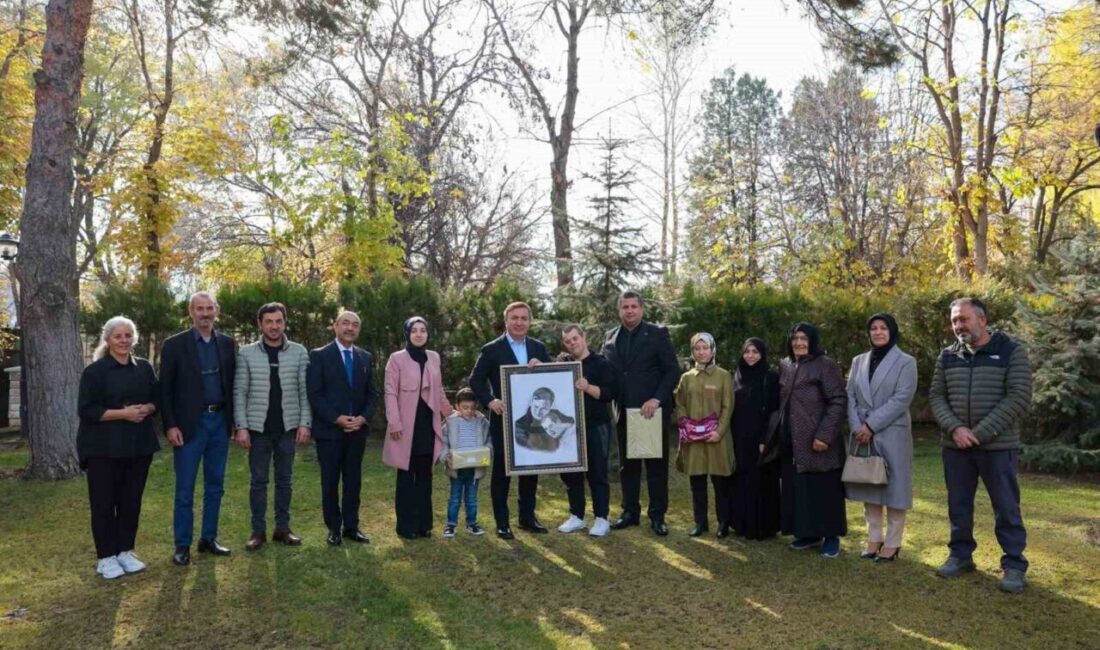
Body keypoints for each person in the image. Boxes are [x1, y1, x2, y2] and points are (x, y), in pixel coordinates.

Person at [930, 297, 1032, 593]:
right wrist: (956, 429)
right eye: (954, 321)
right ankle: (961, 555)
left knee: (1006, 507)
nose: (958, 325)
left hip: (998, 447)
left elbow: (1018, 397)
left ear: (982, 320)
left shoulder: (1011, 352)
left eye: (964, 319)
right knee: (958, 504)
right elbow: (936, 397)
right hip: (956, 447)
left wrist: (978, 433)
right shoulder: (947, 356)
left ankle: (1014, 565)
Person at [77, 316, 160, 580]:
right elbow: (87, 410)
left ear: (134, 338)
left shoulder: (144, 368)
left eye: (128, 335)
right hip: (103, 449)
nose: (123, 340)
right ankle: (106, 557)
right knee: (104, 503)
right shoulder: (95, 372)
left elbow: (157, 400)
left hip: (138, 447)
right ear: (108, 339)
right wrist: (123, 414)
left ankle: (125, 551)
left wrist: (147, 408)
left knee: (131, 501)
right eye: (118, 336)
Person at [160, 291, 237, 567]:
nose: (205, 313)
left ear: (217, 310)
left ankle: (209, 538)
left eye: (209, 308)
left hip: (219, 422)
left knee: (215, 485)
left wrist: (233, 422)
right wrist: (170, 425)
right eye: (199, 309)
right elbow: (165, 390)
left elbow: (233, 384)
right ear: (191, 312)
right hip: (189, 425)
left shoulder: (227, 343)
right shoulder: (174, 345)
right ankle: (182, 545)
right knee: (185, 488)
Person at [762, 323, 848, 559]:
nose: (799, 343)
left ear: (812, 341)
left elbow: (838, 400)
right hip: (792, 440)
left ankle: (831, 537)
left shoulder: (825, 365)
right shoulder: (786, 365)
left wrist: (824, 435)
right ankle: (809, 534)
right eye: (795, 338)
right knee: (800, 489)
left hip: (818, 439)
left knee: (824, 489)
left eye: (804, 338)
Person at [469, 301, 552, 539]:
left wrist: (544, 366)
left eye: (524, 318)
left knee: (530, 469)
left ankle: (527, 517)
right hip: (503, 419)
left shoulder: (538, 348)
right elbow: (476, 380)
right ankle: (502, 522)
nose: (519, 322)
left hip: (532, 421)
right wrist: (490, 401)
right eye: (514, 318)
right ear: (506, 321)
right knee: (502, 472)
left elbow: (552, 377)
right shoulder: (492, 349)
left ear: (530, 321)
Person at [233, 302, 312, 551]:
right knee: (258, 482)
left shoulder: (299, 352)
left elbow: (305, 391)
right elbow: (239, 392)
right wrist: (241, 426)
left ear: (285, 323)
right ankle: (258, 532)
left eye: (279, 321)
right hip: (258, 430)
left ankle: (283, 529)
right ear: (260, 324)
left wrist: (305, 423)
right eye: (269, 321)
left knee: (285, 481)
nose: (274, 326)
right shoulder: (246, 353)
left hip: (288, 428)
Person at [602, 290, 681, 537]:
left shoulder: (656, 334)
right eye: (625, 307)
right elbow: (603, 370)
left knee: (655, 467)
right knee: (628, 467)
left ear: (641, 309)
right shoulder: (609, 337)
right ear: (619, 310)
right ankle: (630, 512)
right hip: (623, 412)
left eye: (633, 306)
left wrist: (657, 399)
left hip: (650, 413)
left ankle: (657, 516)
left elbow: (672, 371)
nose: (629, 311)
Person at [846, 313, 918, 563]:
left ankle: (893, 542)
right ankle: (874, 538)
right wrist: (857, 427)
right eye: (873, 328)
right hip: (862, 435)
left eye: (883, 328)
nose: (877, 332)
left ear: (892, 331)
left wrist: (871, 425)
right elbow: (850, 396)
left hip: (892, 432)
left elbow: (902, 398)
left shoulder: (906, 362)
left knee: (895, 489)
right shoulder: (858, 361)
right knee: (869, 486)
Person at [307, 310, 378, 546]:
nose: (350, 328)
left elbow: (372, 395)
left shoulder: (365, 357)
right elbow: (315, 394)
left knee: (353, 481)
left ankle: (351, 527)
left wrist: (363, 418)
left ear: (359, 330)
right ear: (335, 326)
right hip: (329, 432)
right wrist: (336, 418)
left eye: (355, 325)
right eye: (345, 323)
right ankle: (333, 528)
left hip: (357, 432)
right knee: (330, 482)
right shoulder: (319, 355)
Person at [383, 316, 453, 539]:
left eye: (423, 330)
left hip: (427, 425)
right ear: (407, 333)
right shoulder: (396, 359)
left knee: (425, 476)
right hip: (405, 426)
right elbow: (390, 392)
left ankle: (424, 524)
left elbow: (438, 390)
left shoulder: (434, 357)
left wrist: (451, 414)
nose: (419, 334)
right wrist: (394, 422)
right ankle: (406, 526)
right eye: (414, 330)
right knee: (406, 476)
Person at [557, 324, 619, 538]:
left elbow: (611, 393)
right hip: (569, 429)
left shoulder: (601, 363)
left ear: (583, 338)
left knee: (598, 473)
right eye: (567, 341)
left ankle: (601, 518)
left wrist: (588, 387)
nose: (572, 343)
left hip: (596, 426)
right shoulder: (564, 364)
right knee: (571, 473)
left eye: (575, 338)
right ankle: (577, 516)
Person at [674, 333, 735, 538]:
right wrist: (685, 424)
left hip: (717, 439)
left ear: (712, 350)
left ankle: (723, 522)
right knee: (697, 482)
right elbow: (680, 403)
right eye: (697, 349)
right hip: (694, 440)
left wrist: (719, 432)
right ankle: (700, 522)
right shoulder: (686, 377)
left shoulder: (724, 376)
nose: (701, 352)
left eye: (705, 348)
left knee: (720, 483)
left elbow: (728, 406)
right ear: (693, 352)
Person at [729, 338, 781, 540]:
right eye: (747, 351)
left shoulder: (770, 377)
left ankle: (763, 527)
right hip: (739, 438)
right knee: (741, 480)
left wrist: (765, 439)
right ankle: (742, 524)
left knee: (762, 482)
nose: (750, 355)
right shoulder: (736, 376)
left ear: (762, 354)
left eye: (755, 352)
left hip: (761, 440)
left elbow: (774, 411)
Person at [440, 388, 491, 539]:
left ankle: (472, 523)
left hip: (474, 468)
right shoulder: (450, 422)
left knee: (471, 499)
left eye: (472, 407)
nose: (469, 411)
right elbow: (443, 442)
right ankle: (451, 525)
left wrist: (487, 452)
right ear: (457, 406)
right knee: (455, 498)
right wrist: (446, 456)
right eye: (465, 407)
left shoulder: (482, 422)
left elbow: (489, 440)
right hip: (456, 468)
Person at [514, 387, 575, 452]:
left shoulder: (555, 413)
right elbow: (531, 449)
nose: (538, 412)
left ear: (550, 406)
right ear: (531, 402)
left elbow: (572, 421)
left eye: (544, 409)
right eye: (536, 406)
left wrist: (560, 424)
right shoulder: (519, 425)